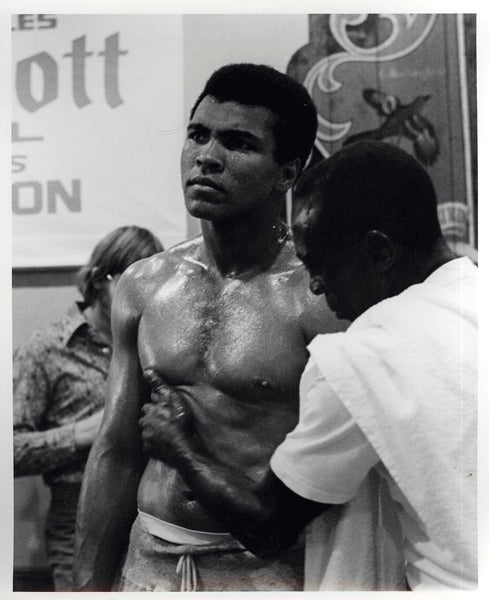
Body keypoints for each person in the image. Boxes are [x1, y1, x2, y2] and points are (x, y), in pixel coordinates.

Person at [73, 63, 401, 593]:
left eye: (238, 143)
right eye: (197, 135)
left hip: (269, 569)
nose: (207, 156)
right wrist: (88, 586)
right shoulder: (142, 285)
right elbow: (116, 451)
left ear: (288, 172)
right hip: (147, 561)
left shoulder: (321, 299)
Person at [138, 141, 477, 591]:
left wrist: (178, 446)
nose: (315, 287)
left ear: (378, 254)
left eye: (320, 266)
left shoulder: (362, 354)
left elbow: (270, 527)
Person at [13, 225, 164, 591]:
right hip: (75, 512)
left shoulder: (157, 345)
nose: (141, 296)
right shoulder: (48, 348)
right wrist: (83, 433)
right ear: (100, 280)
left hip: (152, 514)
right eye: (130, 282)